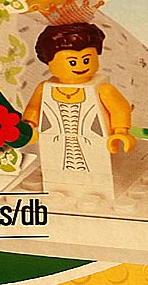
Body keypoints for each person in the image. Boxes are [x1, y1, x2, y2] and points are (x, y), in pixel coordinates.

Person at [22, 22, 136, 199]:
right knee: (55, 170)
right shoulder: (45, 89)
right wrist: (29, 125)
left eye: (86, 59)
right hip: (54, 142)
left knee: (98, 170)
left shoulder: (102, 89)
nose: (80, 66)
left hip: (95, 142)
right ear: (49, 62)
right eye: (72, 61)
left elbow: (119, 109)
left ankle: (98, 191)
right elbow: (33, 109)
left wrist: (120, 131)